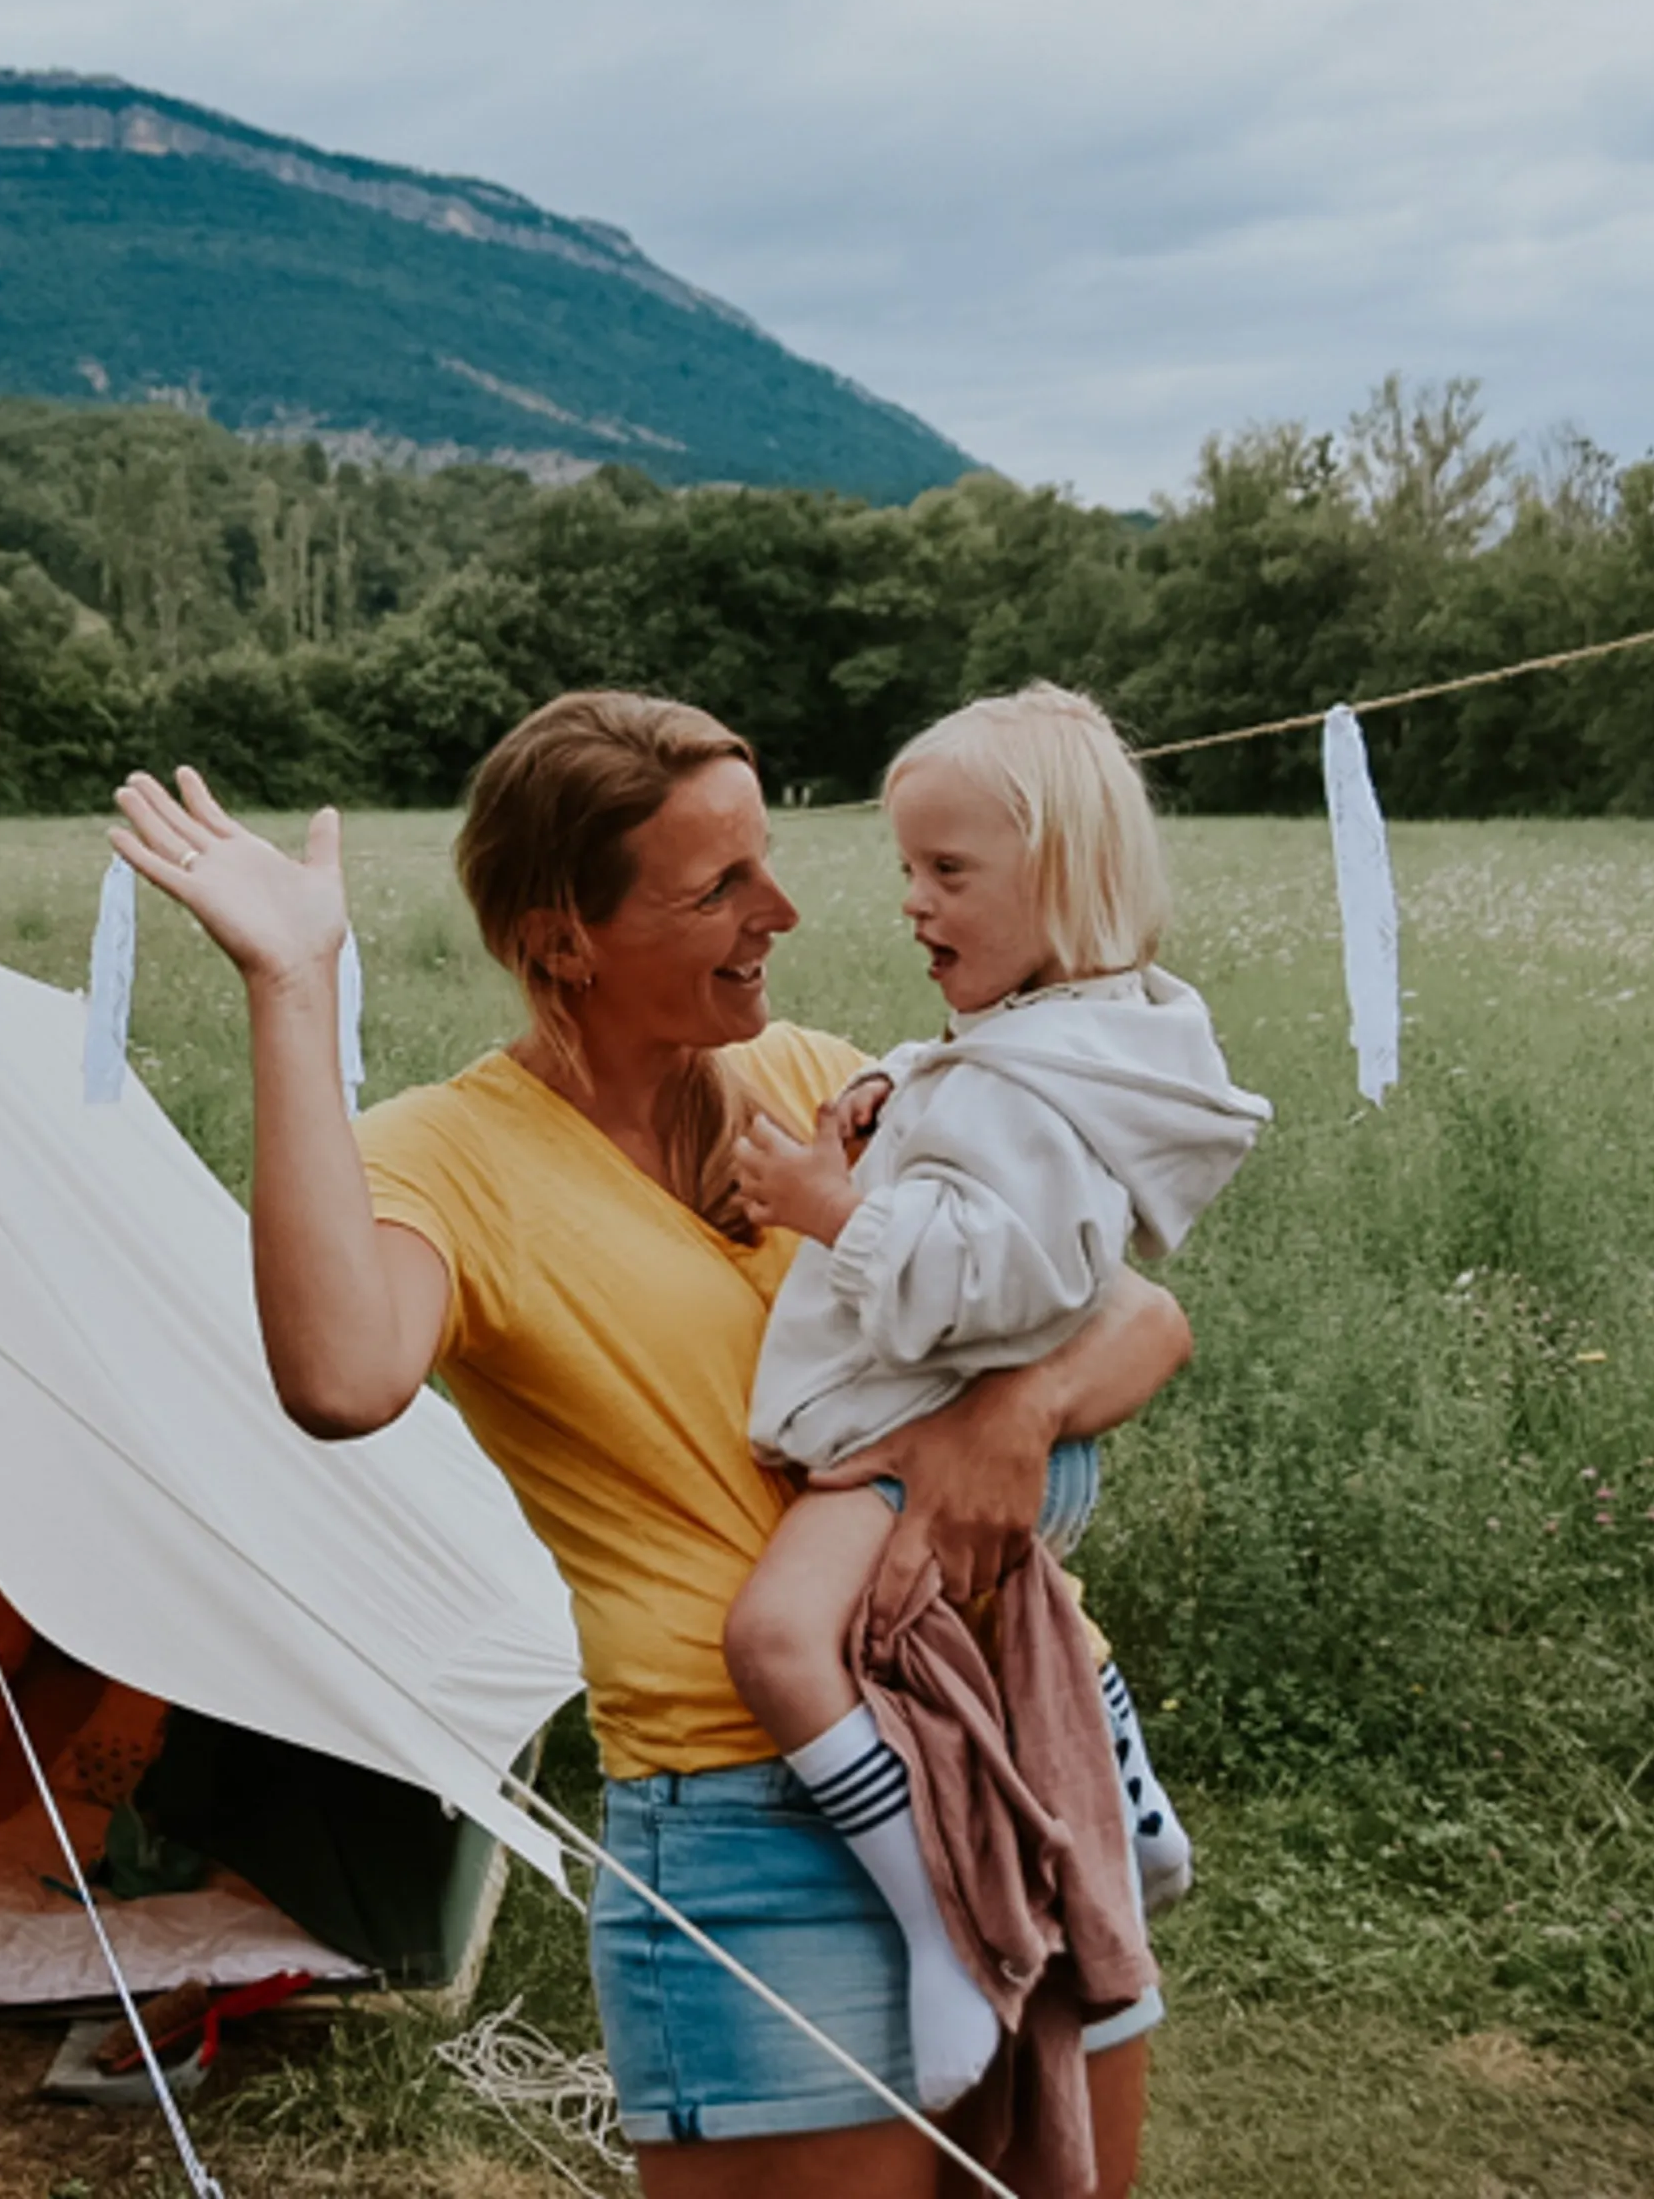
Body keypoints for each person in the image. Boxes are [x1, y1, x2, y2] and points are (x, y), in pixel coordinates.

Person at [113, 692, 1191, 2198]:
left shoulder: (822, 1080)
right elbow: (342, 1378)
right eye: (718, 889)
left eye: (765, 861)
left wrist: (1004, 1418)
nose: (787, 911)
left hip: (1020, 1741)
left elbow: (1138, 1318)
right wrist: (294, 986)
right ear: (566, 939)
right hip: (759, 1817)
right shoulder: (449, 1159)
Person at [719, 684, 1267, 2112]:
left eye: (948, 872)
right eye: (910, 869)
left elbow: (1012, 1275)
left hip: (933, 1439)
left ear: (1064, 880)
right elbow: (980, 1083)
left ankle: (938, 1929)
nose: (912, 902)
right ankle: (1130, 1813)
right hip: (986, 1430)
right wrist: (885, 1092)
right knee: (1035, 1620)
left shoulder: (1036, 1087)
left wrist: (832, 1208)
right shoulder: (1067, 1041)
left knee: (780, 1641)